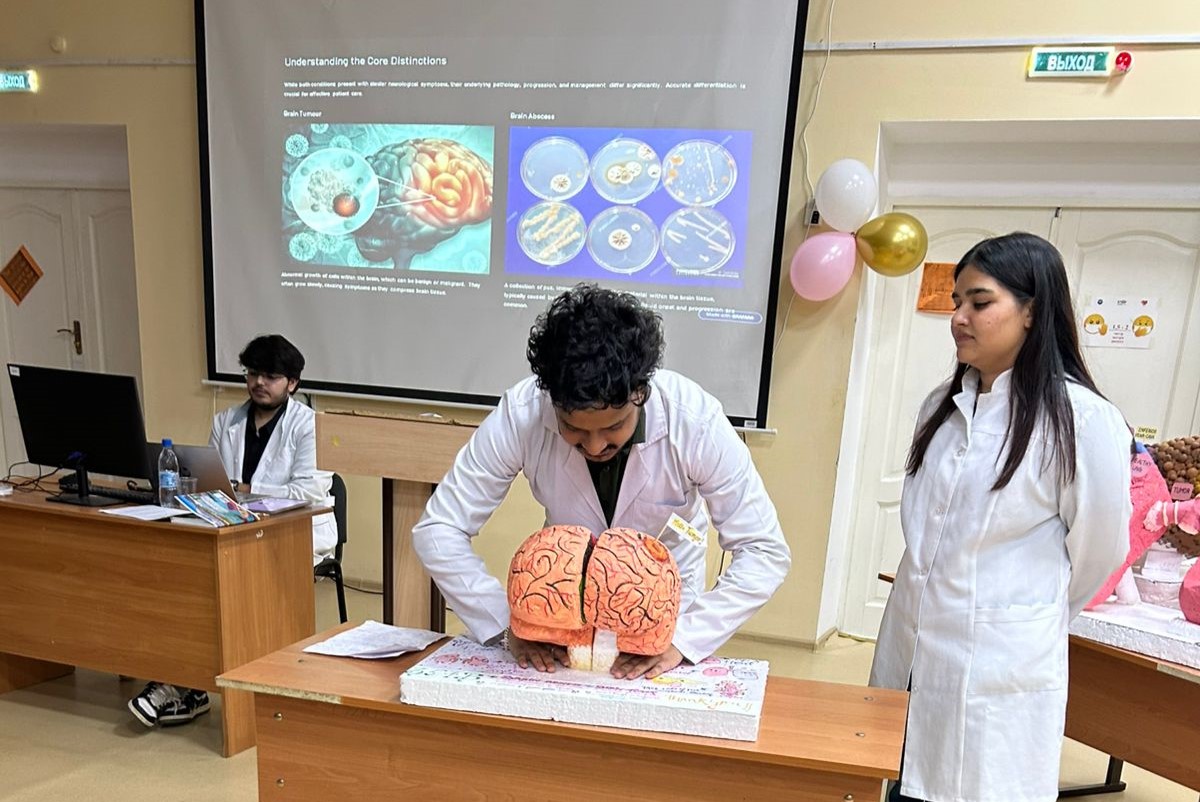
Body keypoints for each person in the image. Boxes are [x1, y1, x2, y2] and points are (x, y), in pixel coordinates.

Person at [412, 284, 791, 679]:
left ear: (641, 392)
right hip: (561, 613)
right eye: (573, 429)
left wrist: (685, 638)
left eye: (613, 427)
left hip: (664, 621)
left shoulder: (695, 422)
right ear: (551, 400)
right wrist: (507, 624)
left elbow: (763, 549)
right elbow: (439, 529)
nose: (594, 446)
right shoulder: (522, 414)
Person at [869, 233, 1131, 802]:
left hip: (999, 665)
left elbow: (1101, 552)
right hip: (912, 647)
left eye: (980, 302)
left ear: (1032, 311)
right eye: (956, 301)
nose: (958, 318)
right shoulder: (941, 407)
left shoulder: (1082, 421)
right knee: (902, 781)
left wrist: (1022, 614)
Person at [127, 334, 334, 728]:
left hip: (291, 533)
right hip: (230, 528)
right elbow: (211, 481)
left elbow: (307, 492)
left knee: (224, 586)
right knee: (180, 576)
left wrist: (245, 489)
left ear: (292, 383)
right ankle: (185, 681)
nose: (259, 383)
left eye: (270, 376)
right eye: (252, 374)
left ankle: (184, 685)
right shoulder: (226, 421)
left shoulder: (310, 426)